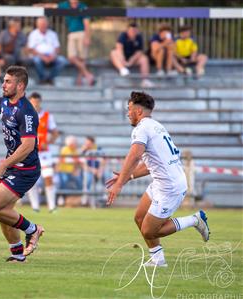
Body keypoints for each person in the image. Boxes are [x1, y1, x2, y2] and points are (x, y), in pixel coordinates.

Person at [106, 91, 210, 267]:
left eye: (129, 109)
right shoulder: (156, 126)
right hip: (161, 183)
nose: (127, 113)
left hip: (170, 187)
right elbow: (150, 164)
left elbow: (134, 156)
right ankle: (158, 260)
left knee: (149, 230)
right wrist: (128, 176)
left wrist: (119, 184)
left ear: (138, 111)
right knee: (139, 218)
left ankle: (195, 219)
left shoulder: (141, 129)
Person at [0, 65, 45, 262]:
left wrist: (4, 164)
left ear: (20, 85)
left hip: (26, 170)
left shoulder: (27, 111)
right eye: (4, 80)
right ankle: (18, 255)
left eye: (8, 81)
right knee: (3, 212)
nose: (3, 84)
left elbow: (28, 145)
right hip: (13, 166)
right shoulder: (5, 102)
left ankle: (33, 230)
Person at [26, 92, 59, 213]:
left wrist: (49, 142)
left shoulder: (47, 116)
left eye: (37, 102)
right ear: (30, 102)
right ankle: (35, 206)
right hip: (30, 152)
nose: (35, 104)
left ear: (40, 102)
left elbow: (55, 133)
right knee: (31, 179)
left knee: (48, 177)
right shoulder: (26, 114)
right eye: (33, 102)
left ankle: (52, 206)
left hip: (44, 152)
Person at [58, 0, 95, 86]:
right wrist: (40, 5)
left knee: (82, 58)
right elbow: (53, 6)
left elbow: (87, 23)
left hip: (82, 33)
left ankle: (80, 79)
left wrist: (87, 37)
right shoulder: (65, 5)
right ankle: (88, 75)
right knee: (71, 57)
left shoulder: (83, 6)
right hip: (71, 34)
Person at [110, 23, 154, 88]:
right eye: (131, 31)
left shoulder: (139, 37)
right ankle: (122, 70)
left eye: (134, 31)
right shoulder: (123, 35)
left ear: (137, 31)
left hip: (133, 59)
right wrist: (123, 60)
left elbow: (139, 52)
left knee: (144, 58)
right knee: (113, 52)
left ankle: (145, 80)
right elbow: (119, 48)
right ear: (127, 30)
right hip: (122, 59)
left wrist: (131, 61)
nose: (133, 32)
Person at [27, 17, 67, 85]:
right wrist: (42, 57)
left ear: (47, 24)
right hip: (38, 56)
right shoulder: (33, 34)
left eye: (44, 24)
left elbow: (57, 47)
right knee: (37, 60)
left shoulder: (52, 34)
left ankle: (50, 78)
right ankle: (42, 79)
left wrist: (53, 55)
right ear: (37, 25)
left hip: (51, 55)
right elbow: (31, 49)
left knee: (62, 60)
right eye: (41, 24)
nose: (43, 25)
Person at [81, 136, 105, 206]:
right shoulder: (83, 151)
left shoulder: (99, 149)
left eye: (88, 143)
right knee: (87, 179)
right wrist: (92, 170)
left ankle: (104, 196)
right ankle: (85, 199)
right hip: (88, 170)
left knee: (106, 176)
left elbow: (103, 162)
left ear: (92, 143)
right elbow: (83, 165)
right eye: (86, 143)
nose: (86, 144)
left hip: (98, 170)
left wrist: (99, 171)